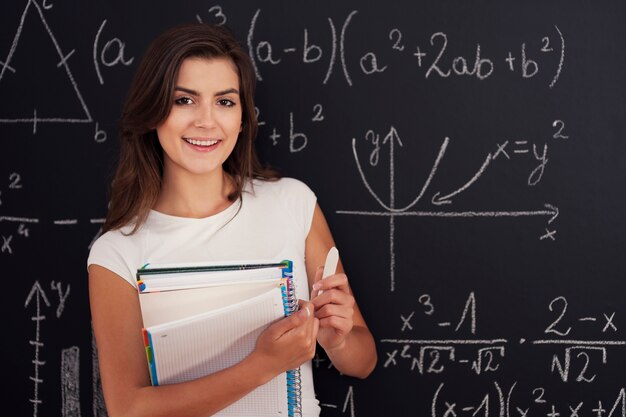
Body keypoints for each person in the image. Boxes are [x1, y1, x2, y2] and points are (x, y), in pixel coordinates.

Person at [88, 22, 377, 417]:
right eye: (184, 100)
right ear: (153, 111)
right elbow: (129, 408)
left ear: (242, 118)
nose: (206, 121)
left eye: (225, 102)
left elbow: (361, 362)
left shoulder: (292, 204)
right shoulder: (117, 252)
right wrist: (262, 366)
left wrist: (336, 339)